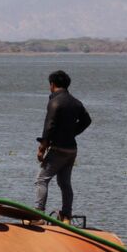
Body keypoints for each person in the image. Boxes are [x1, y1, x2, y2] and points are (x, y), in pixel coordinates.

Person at [35, 69, 91, 220]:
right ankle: (66, 215)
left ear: (52, 84)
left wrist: (42, 148)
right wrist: (71, 133)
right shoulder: (76, 103)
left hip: (58, 149)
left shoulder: (54, 102)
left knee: (42, 180)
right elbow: (87, 121)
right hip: (71, 150)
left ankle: (38, 215)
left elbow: (49, 125)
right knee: (65, 183)